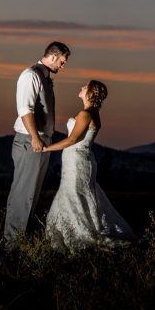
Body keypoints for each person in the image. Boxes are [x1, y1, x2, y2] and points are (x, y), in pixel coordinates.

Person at [43, 79, 138, 252]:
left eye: (85, 86)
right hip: (80, 160)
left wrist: (46, 149)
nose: (81, 87)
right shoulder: (93, 113)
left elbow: (72, 139)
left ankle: (80, 238)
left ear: (90, 93)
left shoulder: (85, 114)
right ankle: (75, 234)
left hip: (77, 161)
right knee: (78, 196)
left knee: (74, 196)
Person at [4, 41, 70, 246]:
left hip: (42, 142)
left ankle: (22, 242)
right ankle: (11, 246)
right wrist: (35, 138)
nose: (63, 66)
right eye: (62, 61)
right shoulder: (31, 75)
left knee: (32, 195)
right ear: (52, 56)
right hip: (30, 141)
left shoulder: (45, 78)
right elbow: (25, 110)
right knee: (23, 195)